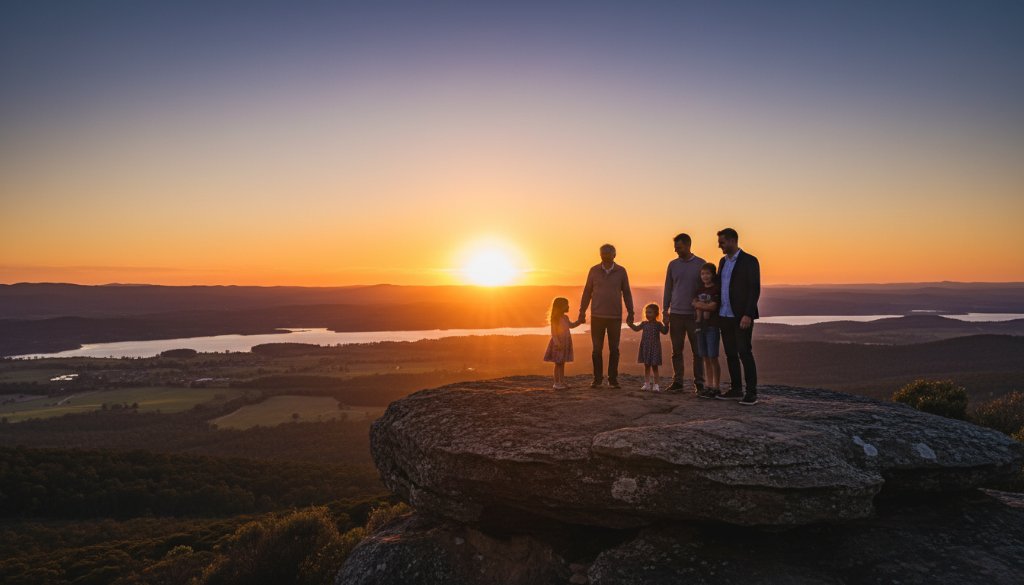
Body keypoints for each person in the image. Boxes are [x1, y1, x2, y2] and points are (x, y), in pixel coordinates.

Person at [714, 228, 761, 405]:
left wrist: (748, 314)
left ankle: (751, 392)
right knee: (730, 353)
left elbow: (754, 289)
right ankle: (735, 389)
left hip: (741, 316)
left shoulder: (749, 261)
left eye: (722, 242)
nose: (719, 245)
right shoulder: (722, 261)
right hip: (724, 315)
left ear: (733, 241)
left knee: (744, 353)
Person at [579, 244, 635, 389]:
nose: (605, 255)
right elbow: (587, 292)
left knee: (614, 349)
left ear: (614, 255)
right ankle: (597, 379)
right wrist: (582, 311)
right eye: (603, 253)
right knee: (596, 350)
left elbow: (627, 292)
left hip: (615, 317)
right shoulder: (593, 270)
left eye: (608, 253)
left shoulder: (621, 271)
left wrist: (631, 312)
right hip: (597, 316)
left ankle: (612, 379)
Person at [662, 233, 706, 393]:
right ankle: (678, 382)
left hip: (694, 315)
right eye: (675, 247)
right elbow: (668, 288)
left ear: (688, 245)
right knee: (676, 350)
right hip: (676, 314)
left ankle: (699, 383)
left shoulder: (701, 264)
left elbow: (706, 288)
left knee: (698, 350)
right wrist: (664, 310)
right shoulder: (672, 265)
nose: (676, 250)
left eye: (678, 247)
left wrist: (701, 308)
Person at [692, 263, 722, 398]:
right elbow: (693, 303)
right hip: (700, 327)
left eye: (708, 273)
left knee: (713, 357)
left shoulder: (716, 289)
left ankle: (716, 386)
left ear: (713, 274)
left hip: (712, 327)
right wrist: (704, 306)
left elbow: (713, 307)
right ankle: (708, 385)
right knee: (705, 357)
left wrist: (700, 305)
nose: (705, 276)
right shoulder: (699, 290)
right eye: (703, 273)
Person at [628, 303, 669, 391]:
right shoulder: (644, 323)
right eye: (646, 312)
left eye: (650, 312)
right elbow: (636, 329)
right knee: (646, 366)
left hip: (655, 347)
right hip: (646, 347)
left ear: (656, 314)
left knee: (655, 367)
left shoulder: (658, 324)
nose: (647, 314)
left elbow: (665, 331)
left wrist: (667, 324)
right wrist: (630, 324)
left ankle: (656, 385)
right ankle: (646, 384)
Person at [543, 297, 583, 389]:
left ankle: (562, 381)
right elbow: (553, 333)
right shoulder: (555, 319)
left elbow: (571, 326)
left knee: (562, 363)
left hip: (565, 343)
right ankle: (556, 383)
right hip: (559, 344)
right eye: (566, 305)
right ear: (561, 307)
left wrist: (579, 322)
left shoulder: (565, 317)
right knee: (558, 364)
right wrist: (557, 343)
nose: (568, 306)